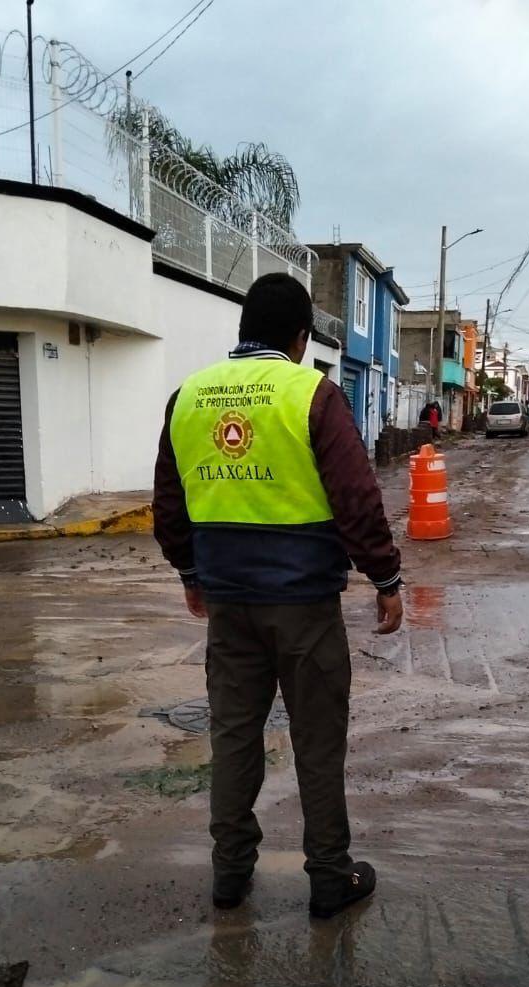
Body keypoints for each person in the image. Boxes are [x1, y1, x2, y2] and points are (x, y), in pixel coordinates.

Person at [153, 273, 403, 919]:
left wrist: (190, 574)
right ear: (301, 338)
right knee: (318, 743)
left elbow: (169, 505)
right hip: (304, 610)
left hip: (229, 605)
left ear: (242, 331)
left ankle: (230, 875)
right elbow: (355, 498)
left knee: (233, 737)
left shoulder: (188, 396)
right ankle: (329, 876)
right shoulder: (311, 394)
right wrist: (386, 578)